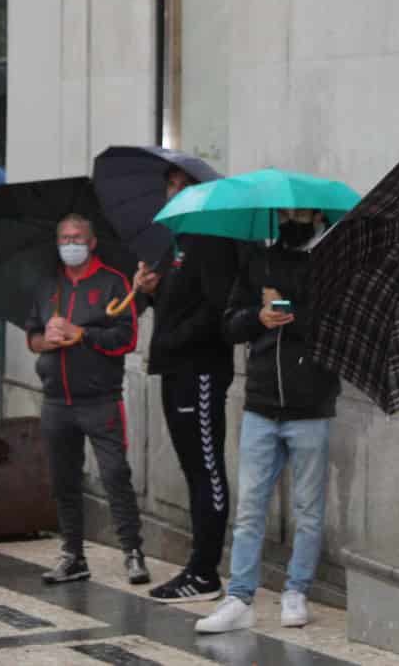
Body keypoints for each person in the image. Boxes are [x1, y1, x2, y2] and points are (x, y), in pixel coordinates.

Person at [196, 207, 340, 635]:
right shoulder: (258, 261)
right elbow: (230, 324)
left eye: (296, 210)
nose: (289, 217)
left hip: (310, 403)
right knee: (250, 508)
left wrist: (290, 313)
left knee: (308, 509)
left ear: (316, 214)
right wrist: (257, 318)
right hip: (260, 402)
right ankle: (239, 596)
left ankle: (297, 591)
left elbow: (337, 328)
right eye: (283, 211)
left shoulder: (331, 263)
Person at [133, 165, 239, 602]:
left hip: (199, 371)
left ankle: (204, 571)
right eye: (169, 186)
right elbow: (180, 304)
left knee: (206, 469)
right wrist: (151, 291)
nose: (171, 193)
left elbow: (216, 311)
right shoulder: (180, 243)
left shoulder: (212, 241)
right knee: (194, 469)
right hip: (175, 369)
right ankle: (198, 568)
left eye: (180, 186)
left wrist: (173, 339)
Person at [25, 213, 148, 587]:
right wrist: (46, 339)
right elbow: (31, 338)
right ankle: (73, 555)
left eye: (77, 238)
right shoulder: (48, 287)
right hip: (55, 401)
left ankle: (132, 551)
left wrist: (83, 335)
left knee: (114, 474)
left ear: (91, 243)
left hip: (100, 399)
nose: (70, 244)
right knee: (63, 480)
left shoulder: (113, 284)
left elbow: (126, 339)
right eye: (63, 238)